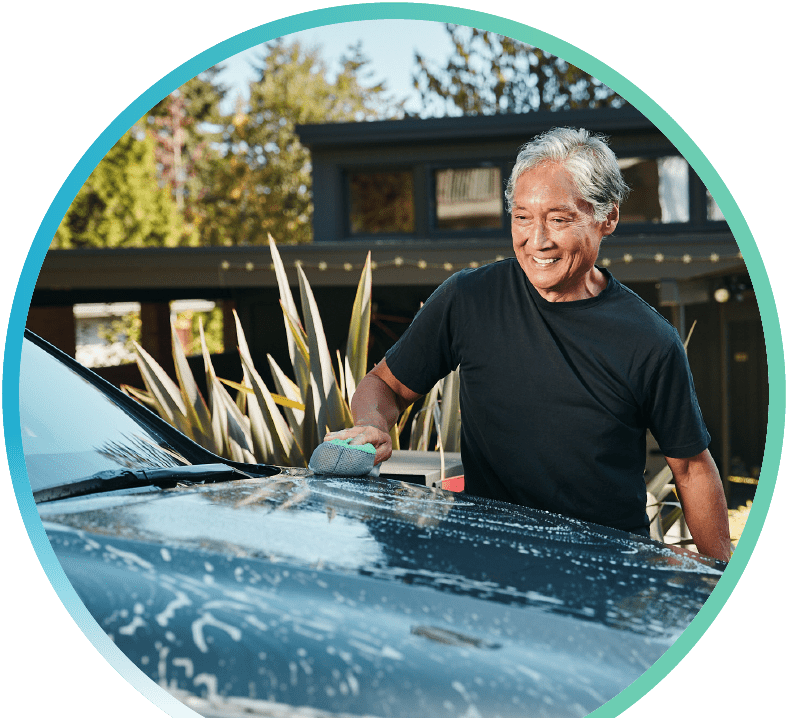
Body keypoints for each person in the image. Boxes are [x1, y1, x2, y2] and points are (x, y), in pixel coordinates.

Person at [325, 127, 731, 562]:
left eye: (558, 219)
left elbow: (690, 467)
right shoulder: (468, 298)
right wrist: (373, 423)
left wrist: (721, 576)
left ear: (607, 218)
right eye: (521, 217)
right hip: (492, 559)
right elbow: (384, 386)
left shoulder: (650, 340)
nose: (536, 241)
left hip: (604, 570)